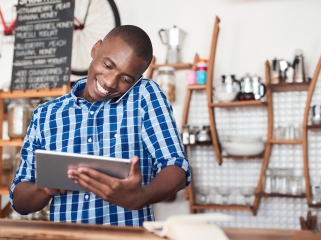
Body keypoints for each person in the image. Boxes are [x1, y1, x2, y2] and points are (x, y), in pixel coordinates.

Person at [10, 25, 191, 226]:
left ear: (136, 80)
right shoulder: (46, 114)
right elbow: (19, 199)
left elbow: (176, 166)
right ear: (96, 49)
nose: (110, 82)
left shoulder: (144, 95)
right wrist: (44, 188)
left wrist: (141, 196)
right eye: (108, 65)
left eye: (125, 79)